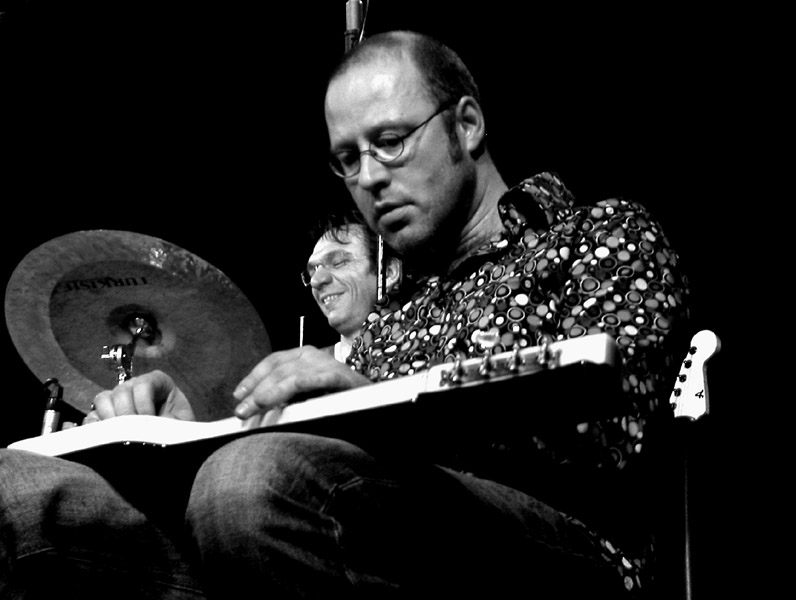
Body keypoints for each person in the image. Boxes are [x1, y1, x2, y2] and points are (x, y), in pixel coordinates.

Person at [0, 30, 691, 598]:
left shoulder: (600, 235)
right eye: (347, 160)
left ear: (467, 124)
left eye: (390, 141)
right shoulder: (389, 317)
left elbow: (608, 439)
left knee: (250, 482)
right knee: (22, 490)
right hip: (323, 529)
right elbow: (313, 464)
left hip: (562, 551)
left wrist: (370, 411)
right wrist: (186, 434)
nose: (369, 178)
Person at [303, 209, 401, 363]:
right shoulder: (307, 368)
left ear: (388, 273)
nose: (316, 281)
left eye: (338, 262)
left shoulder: (428, 351)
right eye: (312, 272)